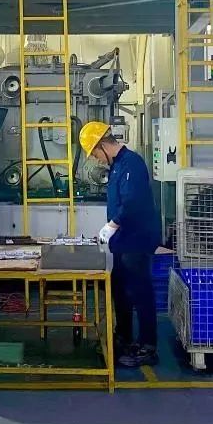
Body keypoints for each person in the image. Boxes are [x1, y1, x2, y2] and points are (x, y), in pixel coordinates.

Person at [79, 121, 161, 367]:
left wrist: (112, 225)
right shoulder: (116, 167)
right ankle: (124, 337)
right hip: (122, 242)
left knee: (140, 292)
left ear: (102, 145)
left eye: (95, 153)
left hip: (136, 239)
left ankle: (148, 347)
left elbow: (133, 202)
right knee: (119, 290)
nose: (96, 159)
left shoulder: (132, 164)